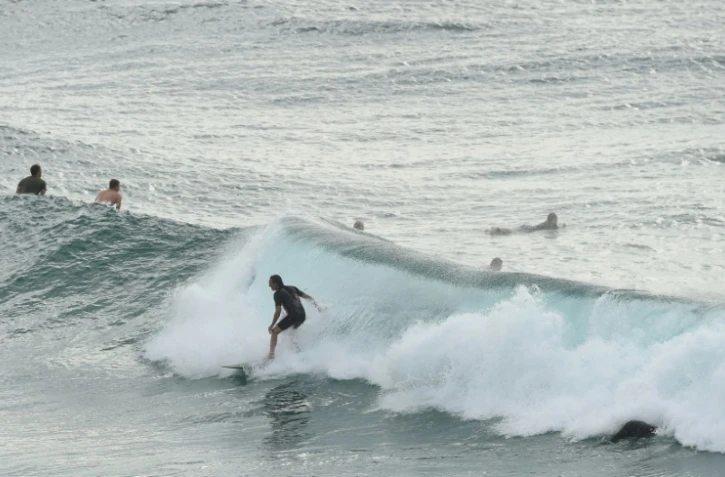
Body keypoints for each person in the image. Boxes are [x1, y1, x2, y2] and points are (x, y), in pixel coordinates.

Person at [267, 274, 321, 360]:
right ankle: (298, 352)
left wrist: (272, 324)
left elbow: (278, 311)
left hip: (293, 316)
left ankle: (271, 356)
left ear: (276, 284)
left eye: (270, 283)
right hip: (302, 316)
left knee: (274, 331)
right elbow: (308, 297)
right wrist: (318, 308)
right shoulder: (293, 288)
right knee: (290, 332)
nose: (269, 285)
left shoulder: (277, 294)